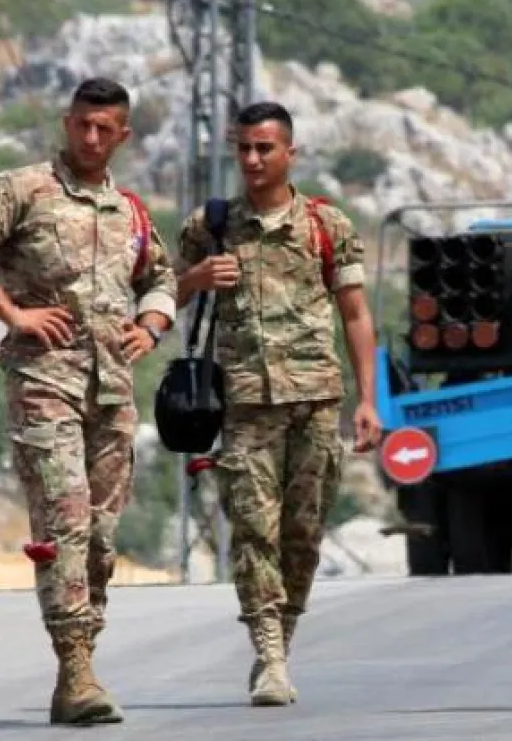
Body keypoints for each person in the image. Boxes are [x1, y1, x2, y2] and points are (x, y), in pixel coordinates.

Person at [0, 77, 177, 726]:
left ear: (123, 136)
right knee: (64, 521)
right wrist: (12, 314)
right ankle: (75, 670)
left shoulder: (129, 210)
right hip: (44, 382)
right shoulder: (24, 190)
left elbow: (161, 276)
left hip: (113, 391)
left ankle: (84, 659)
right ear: (67, 123)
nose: (91, 138)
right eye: (81, 125)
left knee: (100, 536)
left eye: (104, 129)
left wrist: (151, 325)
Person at [173, 100, 383, 707]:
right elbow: (160, 292)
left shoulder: (326, 225)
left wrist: (369, 401)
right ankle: (268, 655)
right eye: (243, 148)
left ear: (290, 153)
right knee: (252, 531)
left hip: (315, 403)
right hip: (244, 406)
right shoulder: (210, 226)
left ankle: (282, 639)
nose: (252, 158)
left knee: (302, 535)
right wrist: (195, 280)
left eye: (264, 148)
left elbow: (355, 315)